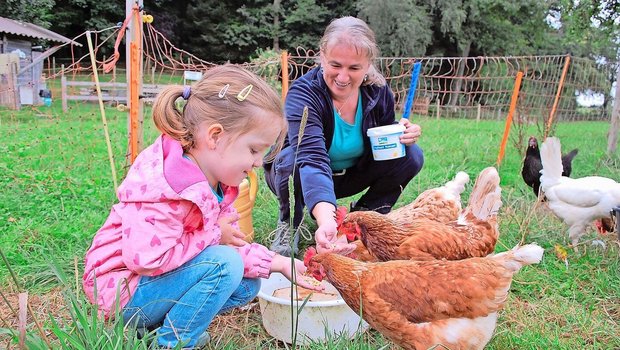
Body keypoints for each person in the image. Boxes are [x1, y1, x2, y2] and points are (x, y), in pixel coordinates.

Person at [82, 65, 323, 349]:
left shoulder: (212, 182)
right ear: (215, 136)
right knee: (226, 265)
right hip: (121, 292)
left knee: (247, 284)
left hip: (149, 286)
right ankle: (173, 343)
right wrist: (213, 236)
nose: (259, 162)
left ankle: (158, 329)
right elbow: (146, 260)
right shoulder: (167, 188)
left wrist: (279, 263)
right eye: (254, 150)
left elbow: (219, 244)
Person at [264, 16, 424, 257]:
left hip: (351, 174)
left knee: (410, 155)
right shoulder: (303, 95)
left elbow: (382, 140)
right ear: (322, 56)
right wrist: (326, 220)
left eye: (354, 68)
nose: (343, 77)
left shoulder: (378, 92)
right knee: (290, 160)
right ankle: (290, 222)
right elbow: (311, 159)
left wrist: (400, 134)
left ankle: (362, 218)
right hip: (302, 176)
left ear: (368, 64)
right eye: (335, 65)